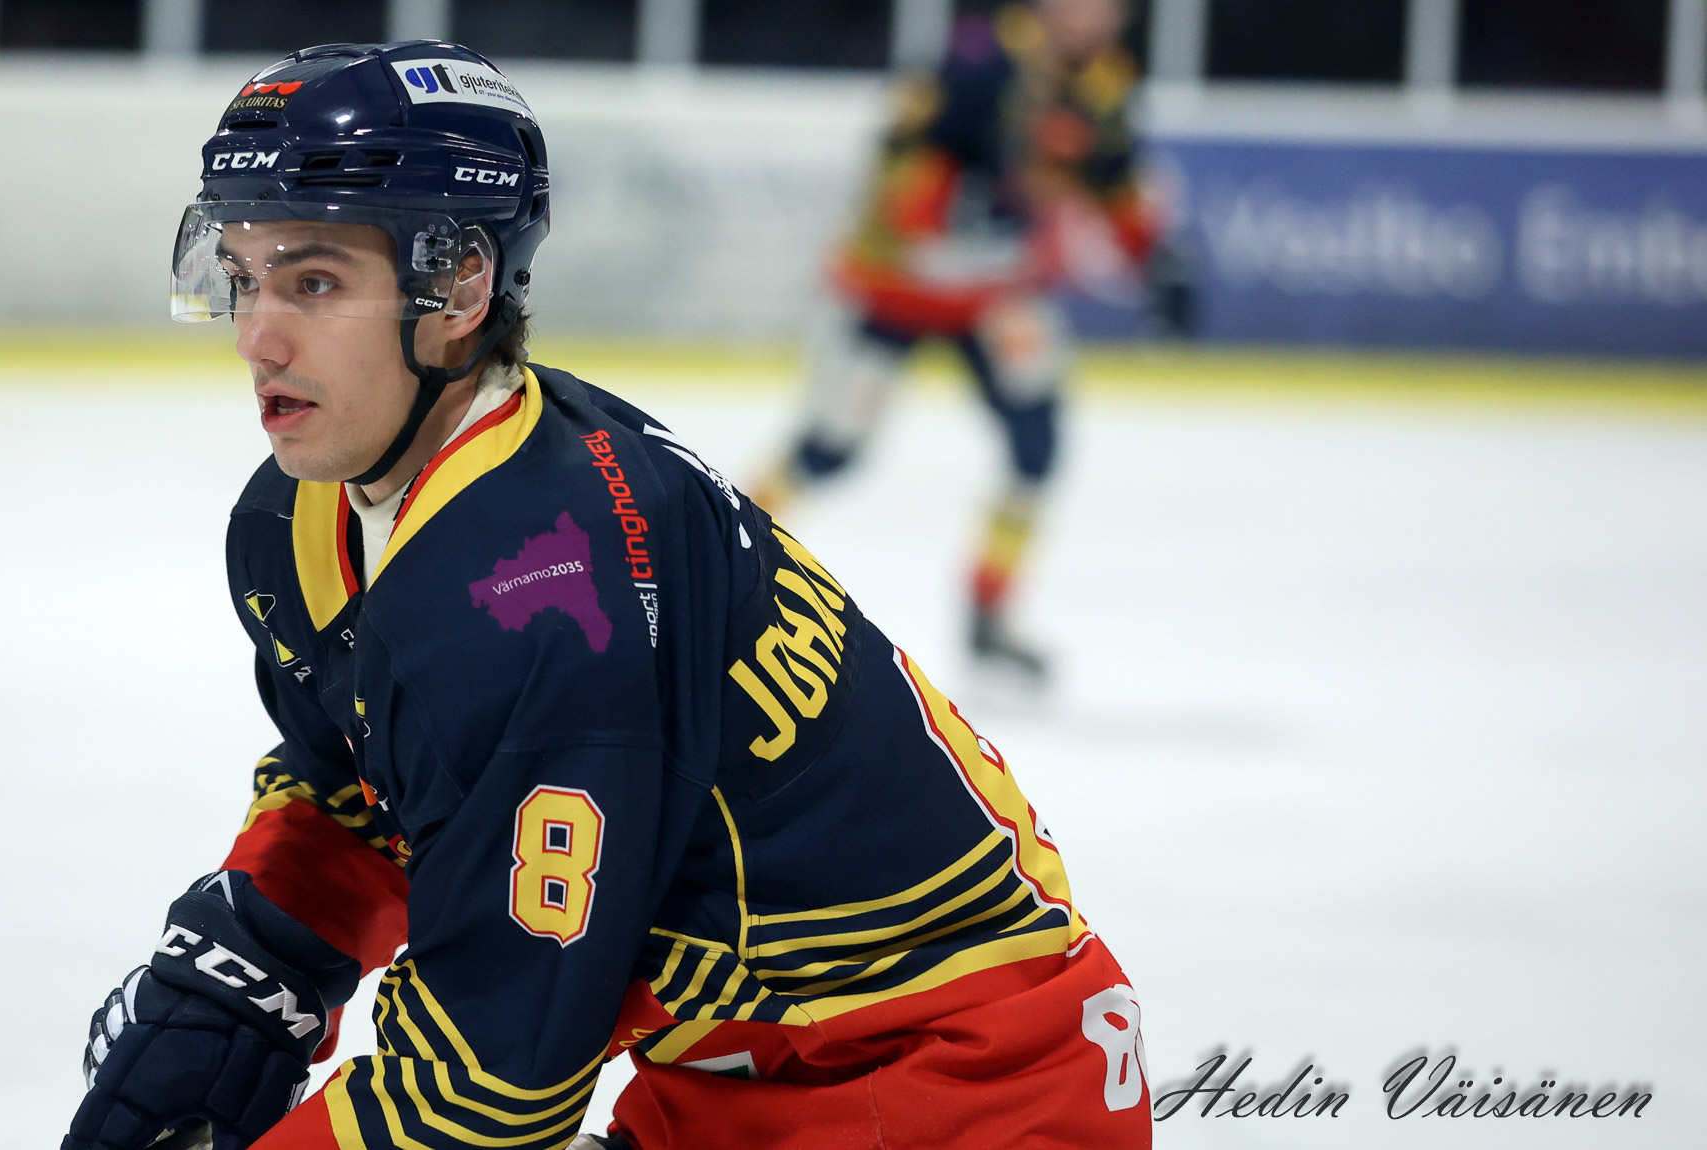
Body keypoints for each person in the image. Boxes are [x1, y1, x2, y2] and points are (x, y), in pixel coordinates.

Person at [62, 41, 1151, 1150]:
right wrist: (243, 958)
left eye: (314, 282)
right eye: (241, 275)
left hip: (957, 1094)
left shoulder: (541, 589)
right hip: (759, 1087)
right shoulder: (306, 523)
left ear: (460, 287)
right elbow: (368, 783)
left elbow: (484, 1093)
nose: (256, 335)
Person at [756, 0, 1190, 682]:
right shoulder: (979, 62)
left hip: (993, 293)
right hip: (899, 287)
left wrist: (1155, 260)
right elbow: (895, 153)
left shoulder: (1105, 85)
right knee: (829, 450)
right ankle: (720, 555)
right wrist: (933, 204)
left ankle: (990, 610)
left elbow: (1114, 182)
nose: (1094, 15)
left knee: (1037, 447)